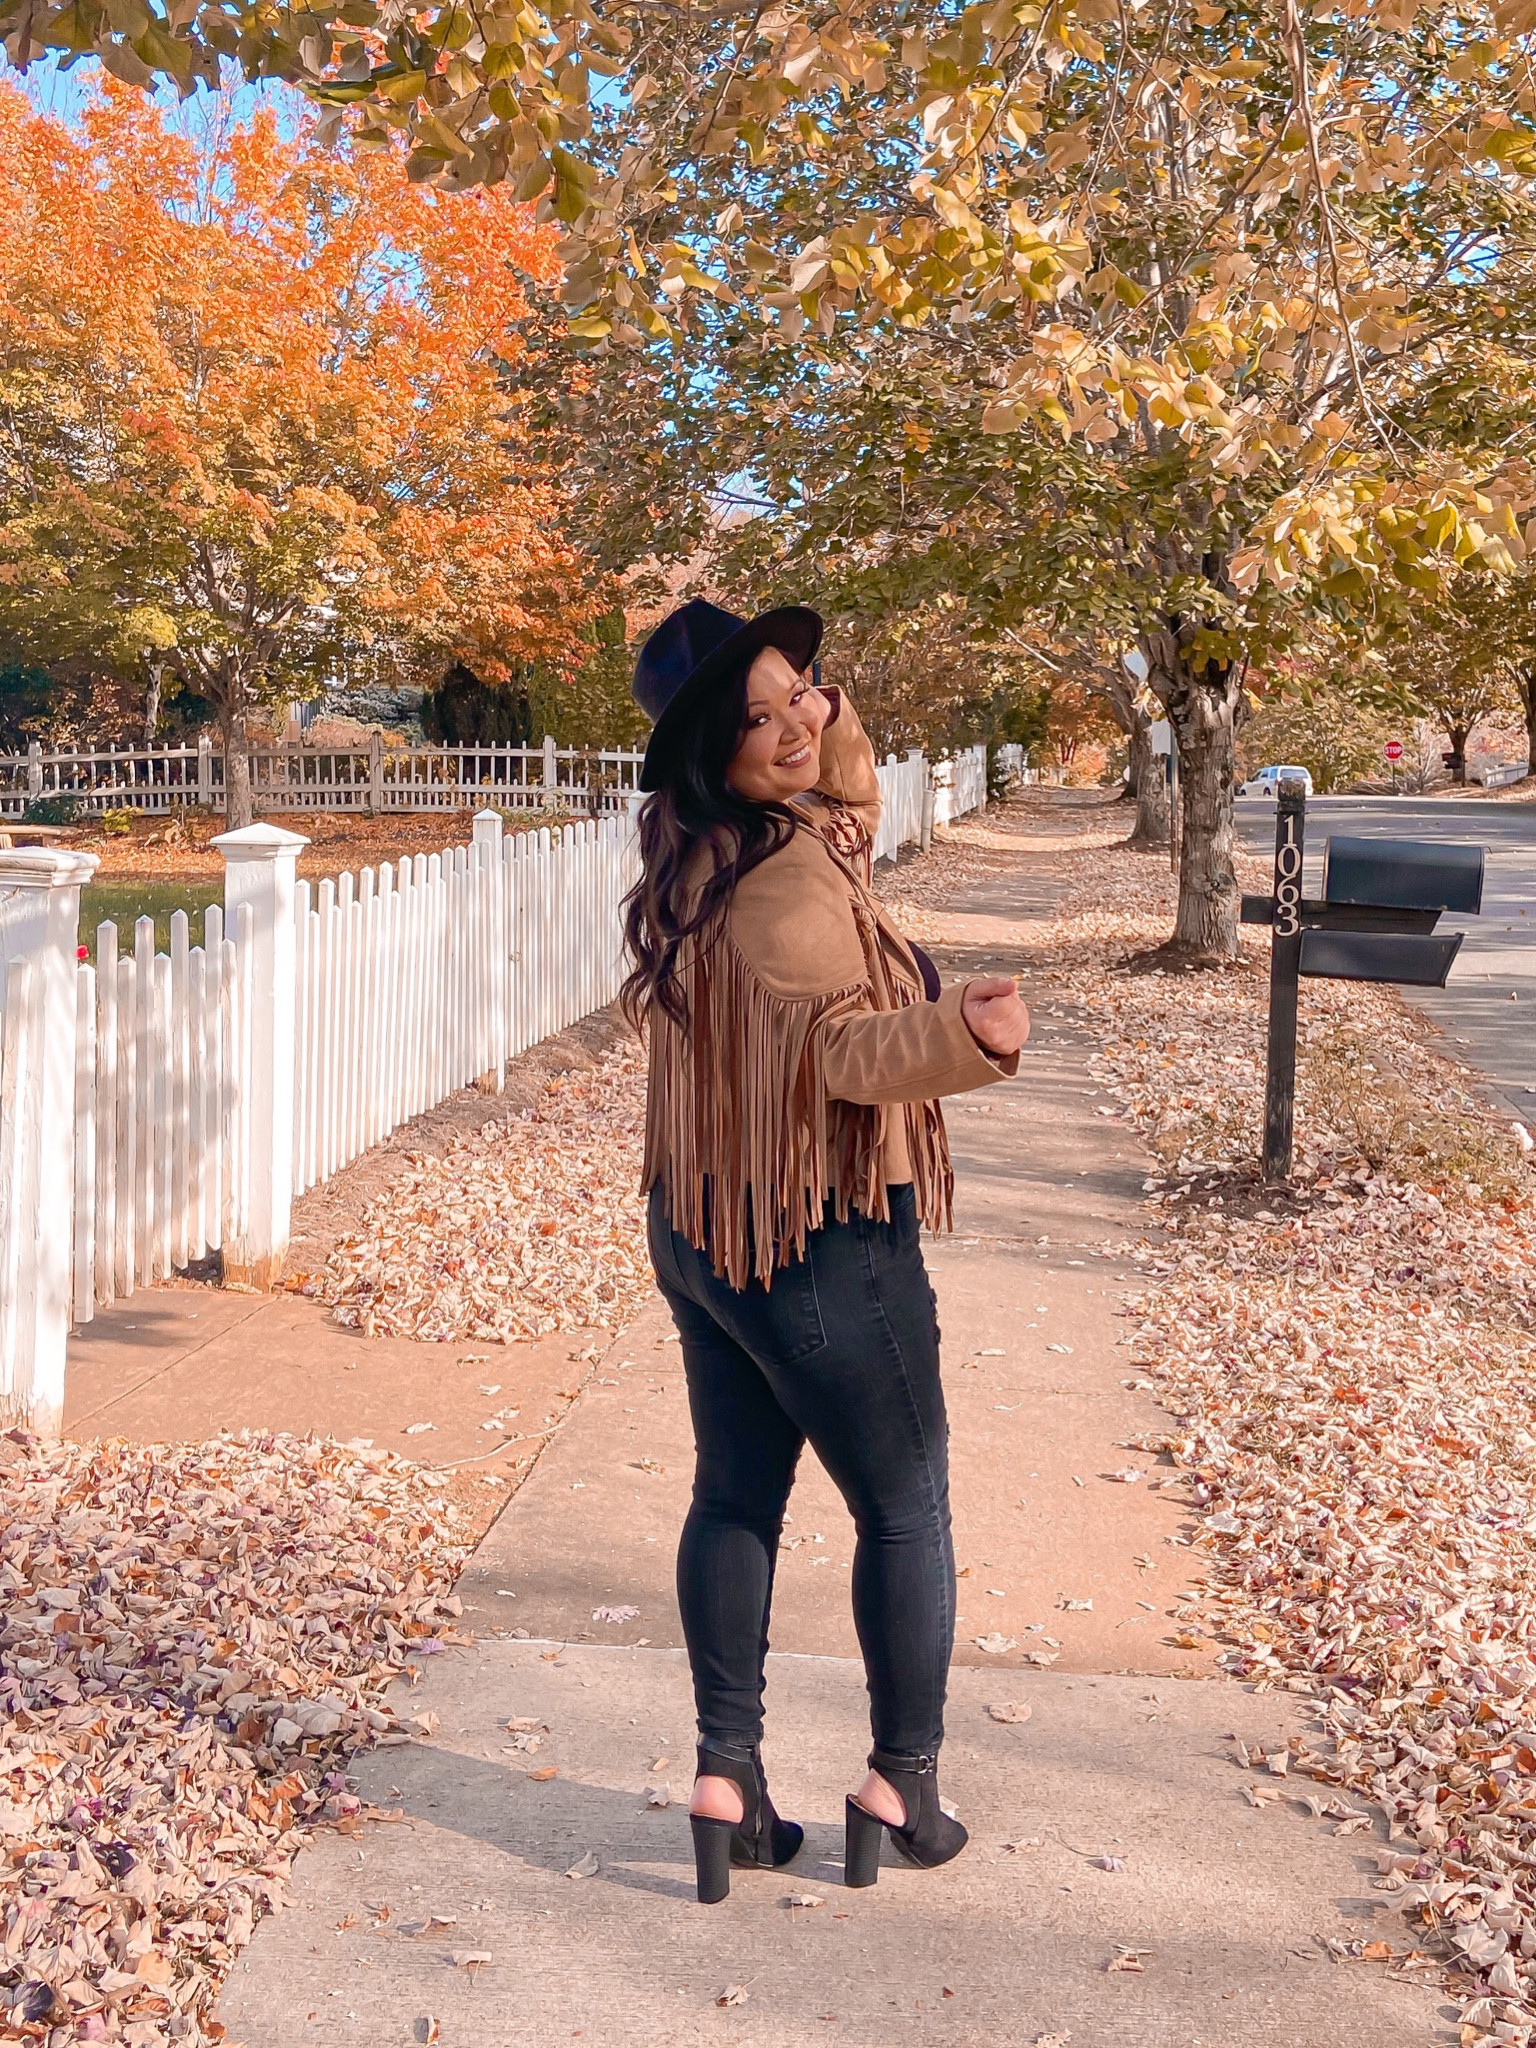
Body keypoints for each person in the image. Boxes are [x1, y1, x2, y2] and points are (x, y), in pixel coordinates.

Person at [622, 598, 1031, 1904]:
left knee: (734, 1497)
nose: (797, 723)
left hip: (706, 1228)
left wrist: (815, 717)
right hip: (816, 1242)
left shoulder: (704, 856)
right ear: (710, 752)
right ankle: (900, 1784)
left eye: (804, 690)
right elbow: (846, 1056)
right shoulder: (792, 884)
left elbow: (841, 805)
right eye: (758, 716)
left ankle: (727, 1782)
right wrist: (969, 1034)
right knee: (905, 1507)